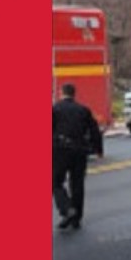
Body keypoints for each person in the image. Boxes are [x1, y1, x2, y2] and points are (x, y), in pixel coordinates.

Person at [52, 83, 103, 230]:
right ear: (74, 94)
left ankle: (67, 209)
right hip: (80, 150)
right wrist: (98, 149)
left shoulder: (55, 109)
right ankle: (76, 218)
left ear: (62, 93)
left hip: (60, 150)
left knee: (55, 182)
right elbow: (94, 130)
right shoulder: (84, 110)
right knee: (77, 184)